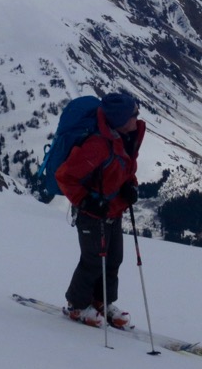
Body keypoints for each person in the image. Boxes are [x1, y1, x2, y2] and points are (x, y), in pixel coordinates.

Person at [56, 92, 145, 328]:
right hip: (92, 214)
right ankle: (77, 305)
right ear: (120, 119)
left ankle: (100, 301)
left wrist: (130, 186)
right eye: (133, 115)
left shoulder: (124, 139)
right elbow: (65, 177)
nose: (137, 119)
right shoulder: (96, 145)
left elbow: (125, 170)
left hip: (113, 211)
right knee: (93, 260)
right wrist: (86, 201)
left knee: (114, 259)